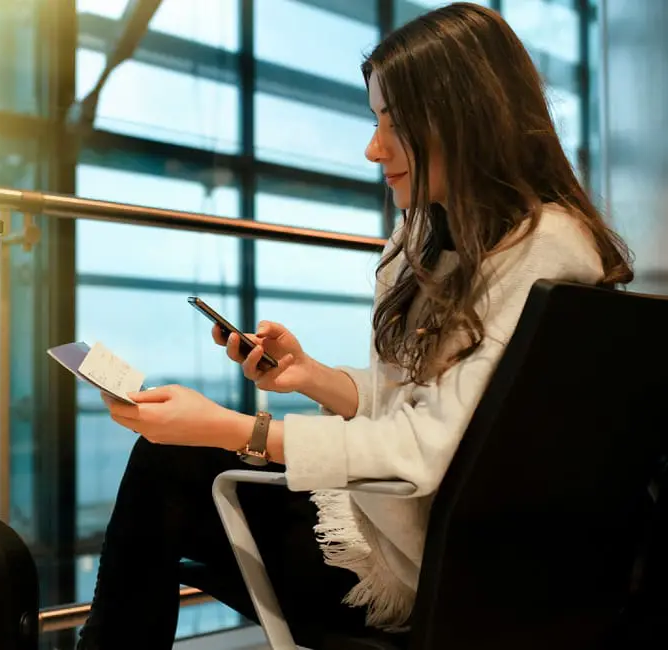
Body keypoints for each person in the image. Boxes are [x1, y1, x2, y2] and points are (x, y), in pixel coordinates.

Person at [76, 3, 634, 648]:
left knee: (167, 472)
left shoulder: (543, 249)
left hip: (433, 566)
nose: (374, 150)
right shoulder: (432, 234)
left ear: (465, 117)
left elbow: (434, 448)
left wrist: (239, 430)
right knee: (170, 479)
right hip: (402, 524)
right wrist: (313, 379)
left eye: (394, 125)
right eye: (376, 121)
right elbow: (449, 409)